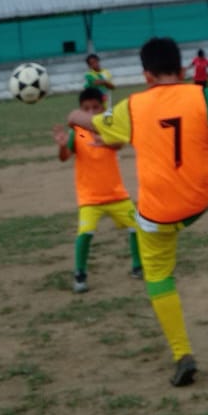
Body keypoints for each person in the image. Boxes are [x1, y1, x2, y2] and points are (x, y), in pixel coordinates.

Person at [68, 35, 208, 387]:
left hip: (159, 213)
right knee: (163, 223)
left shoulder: (133, 106)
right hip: (198, 201)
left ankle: (182, 354)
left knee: (158, 274)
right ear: (182, 69)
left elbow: (93, 124)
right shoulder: (201, 94)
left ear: (146, 75)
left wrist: (74, 115)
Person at [52, 85, 141, 293]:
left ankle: (138, 267)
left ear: (103, 108)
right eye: (86, 109)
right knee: (85, 233)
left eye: (95, 108)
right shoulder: (79, 133)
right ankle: (80, 273)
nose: (91, 113)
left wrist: (105, 141)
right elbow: (65, 157)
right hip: (90, 198)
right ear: (80, 110)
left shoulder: (109, 129)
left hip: (117, 195)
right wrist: (63, 145)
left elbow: (119, 144)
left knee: (137, 227)